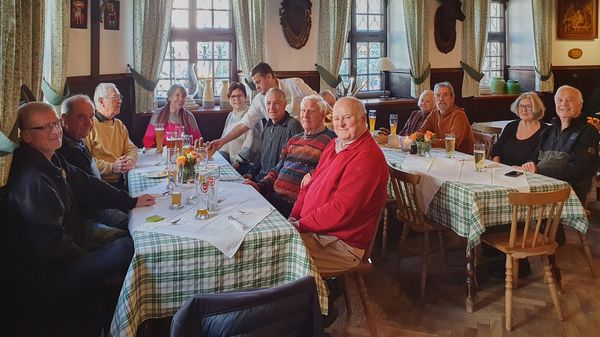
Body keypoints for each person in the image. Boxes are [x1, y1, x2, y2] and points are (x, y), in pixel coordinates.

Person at [4, 102, 155, 337]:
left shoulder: (51, 158)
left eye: (55, 123)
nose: (55, 131)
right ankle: (131, 320)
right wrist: (94, 264)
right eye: (45, 127)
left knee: (131, 237)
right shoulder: (33, 180)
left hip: (70, 243)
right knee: (126, 247)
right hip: (49, 275)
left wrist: (131, 201)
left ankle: (133, 312)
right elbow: (53, 246)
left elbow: (87, 183)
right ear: (26, 136)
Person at [289, 96, 388, 274]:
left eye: (347, 118)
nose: (340, 124)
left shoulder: (367, 157)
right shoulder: (335, 144)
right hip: (315, 231)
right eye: (336, 118)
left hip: (340, 245)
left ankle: (314, 299)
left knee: (278, 255)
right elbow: (308, 186)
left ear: (362, 120)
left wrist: (299, 226)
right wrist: (293, 218)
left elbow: (341, 210)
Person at [58, 94, 131, 248]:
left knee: (135, 222)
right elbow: (89, 187)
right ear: (64, 120)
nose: (89, 123)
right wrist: (129, 200)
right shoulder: (63, 150)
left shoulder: (77, 140)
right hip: (83, 222)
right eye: (81, 117)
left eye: (91, 117)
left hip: (98, 209)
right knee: (130, 237)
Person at [245, 95, 336, 217]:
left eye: (312, 111)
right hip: (274, 197)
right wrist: (259, 186)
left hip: (297, 205)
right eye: (303, 110)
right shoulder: (294, 139)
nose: (305, 115)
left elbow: (327, 173)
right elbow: (277, 169)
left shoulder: (331, 140)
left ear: (322, 114)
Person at [210, 62, 316, 151]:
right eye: (255, 84)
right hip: (278, 144)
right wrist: (222, 141)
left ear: (269, 77)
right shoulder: (259, 100)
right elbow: (244, 124)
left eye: (258, 82)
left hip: (305, 141)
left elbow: (320, 102)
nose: (256, 87)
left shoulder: (294, 84)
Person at [522, 85, 600, 203]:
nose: (563, 103)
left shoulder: (588, 132)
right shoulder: (548, 131)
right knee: (510, 199)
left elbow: (578, 168)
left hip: (567, 192)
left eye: (569, 100)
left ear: (580, 105)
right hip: (539, 184)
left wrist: (539, 172)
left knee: (518, 202)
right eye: (559, 100)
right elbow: (533, 158)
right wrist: (529, 165)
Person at [84, 83, 138, 189]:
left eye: (120, 97)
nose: (120, 101)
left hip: (121, 181)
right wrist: (112, 167)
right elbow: (86, 162)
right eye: (115, 98)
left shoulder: (119, 124)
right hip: (100, 185)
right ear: (101, 102)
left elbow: (132, 148)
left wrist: (130, 160)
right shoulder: (89, 126)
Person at [246, 88, 304, 181]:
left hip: (277, 184)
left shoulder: (293, 125)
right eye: (268, 103)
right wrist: (251, 174)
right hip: (260, 179)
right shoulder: (267, 126)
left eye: (276, 103)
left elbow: (294, 163)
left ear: (284, 105)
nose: (272, 108)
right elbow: (260, 155)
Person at [491, 92, 547, 167]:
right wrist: (497, 166)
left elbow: (539, 160)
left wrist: (520, 169)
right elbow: (496, 149)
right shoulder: (511, 126)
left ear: (536, 108)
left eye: (528, 106)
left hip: (527, 174)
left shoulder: (546, 131)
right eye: (521, 106)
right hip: (504, 171)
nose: (524, 110)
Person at [419, 81, 475, 154]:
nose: (441, 99)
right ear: (435, 99)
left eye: (445, 95)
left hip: (463, 158)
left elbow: (453, 143)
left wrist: (427, 141)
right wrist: (419, 137)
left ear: (452, 98)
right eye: (438, 95)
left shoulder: (459, 115)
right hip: (442, 155)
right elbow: (421, 132)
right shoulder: (434, 113)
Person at [219, 82, 262, 175]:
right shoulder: (230, 115)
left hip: (247, 165)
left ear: (245, 97)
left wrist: (233, 167)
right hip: (232, 164)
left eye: (240, 96)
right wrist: (220, 159)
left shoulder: (251, 115)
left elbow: (249, 149)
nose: (237, 99)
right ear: (229, 99)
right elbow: (224, 145)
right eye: (233, 97)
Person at [142, 84, 202, 148]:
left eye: (183, 96)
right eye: (177, 95)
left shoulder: (189, 116)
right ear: (170, 97)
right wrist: (158, 151)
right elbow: (147, 139)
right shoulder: (157, 114)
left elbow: (198, 140)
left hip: (183, 155)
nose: (181, 99)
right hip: (161, 155)